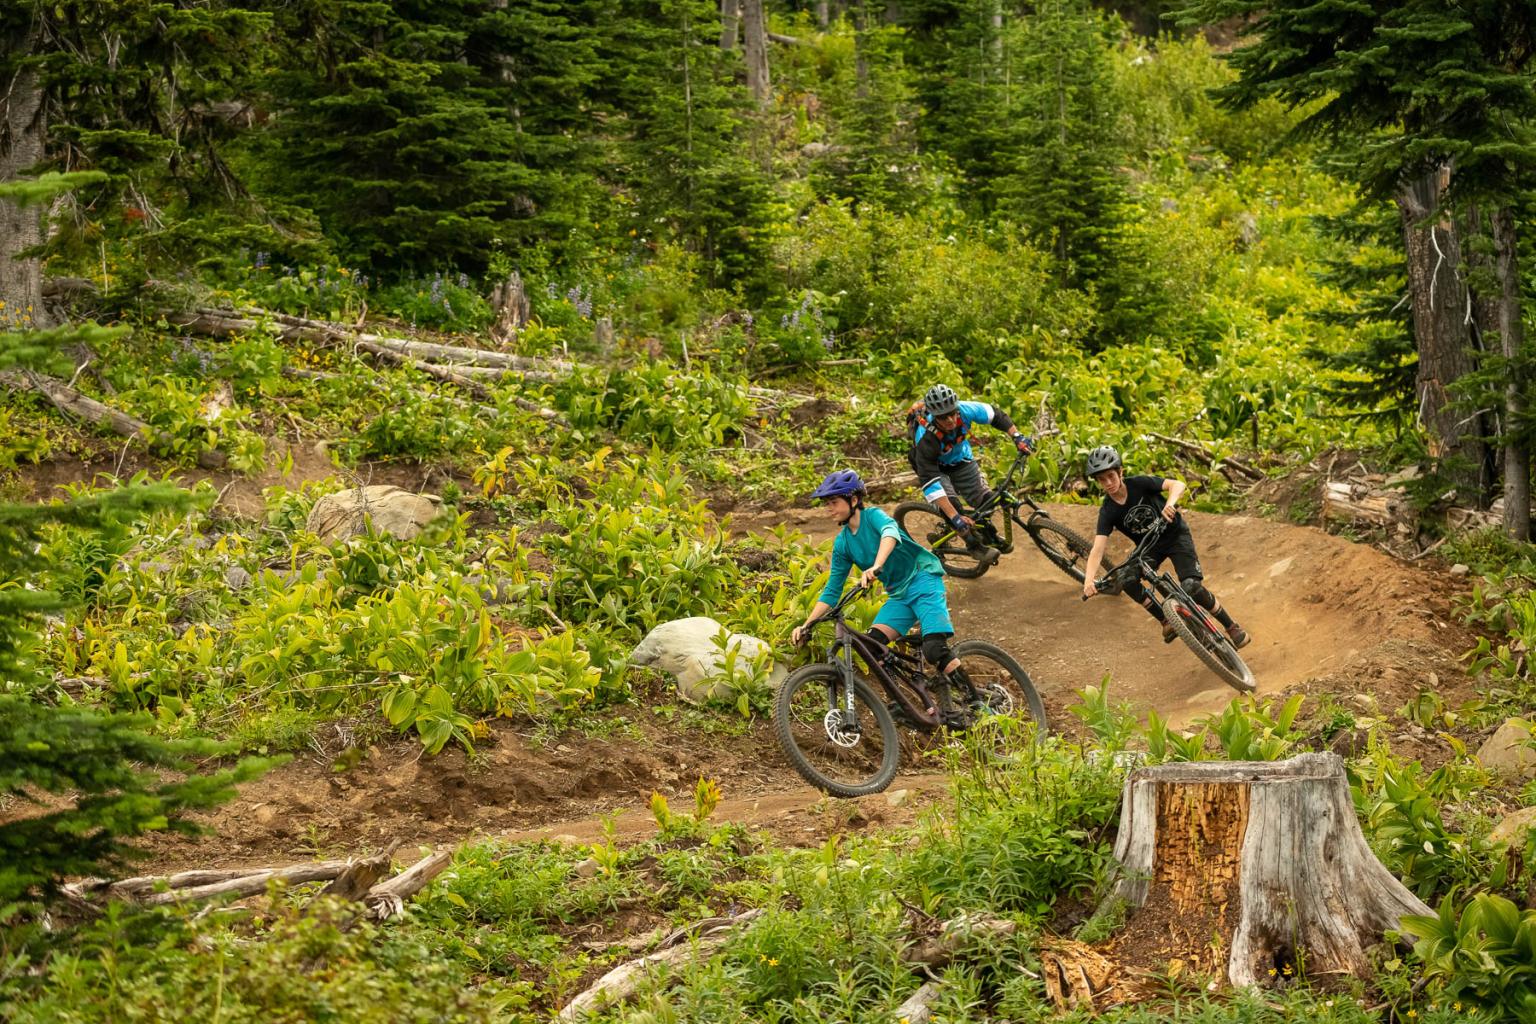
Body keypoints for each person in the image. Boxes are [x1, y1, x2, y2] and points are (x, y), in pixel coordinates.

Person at [790, 468, 979, 728]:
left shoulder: (873, 517)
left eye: (833, 502)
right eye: (827, 504)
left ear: (853, 500)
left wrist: (876, 566)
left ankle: (976, 701)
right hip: (899, 596)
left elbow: (890, 533)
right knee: (872, 647)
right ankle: (904, 706)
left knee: (934, 649)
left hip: (923, 579)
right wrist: (807, 624)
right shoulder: (843, 543)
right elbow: (832, 591)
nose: (828, 509)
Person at [1079, 445, 1251, 649]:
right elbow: (1097, 549)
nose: (1108, 483)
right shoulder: (1107, 511)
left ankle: (1231, 626)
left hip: (1175, 534)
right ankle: (1166, 620)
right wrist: (1089, 580)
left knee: (1191, 587)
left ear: (1120, 472)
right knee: (1126, 579)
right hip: (1149, 548)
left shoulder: (1139, 484)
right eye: (1102, 479)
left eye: (1111, 476)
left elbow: (1177, 485)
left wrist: (1170, 504)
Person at [907, 383, 1034, 570]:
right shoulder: (926, 438)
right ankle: (973, 545)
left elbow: (996, 415)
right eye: (943, 417)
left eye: (952, 413)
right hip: (934, 470)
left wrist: (1017, 437)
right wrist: (955, 517)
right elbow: (930, 482)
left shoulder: (965, 410)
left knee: (987, 501)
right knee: (954, 509)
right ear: (934, 416)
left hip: (960, 460)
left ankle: (988, 534)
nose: (950, 419)